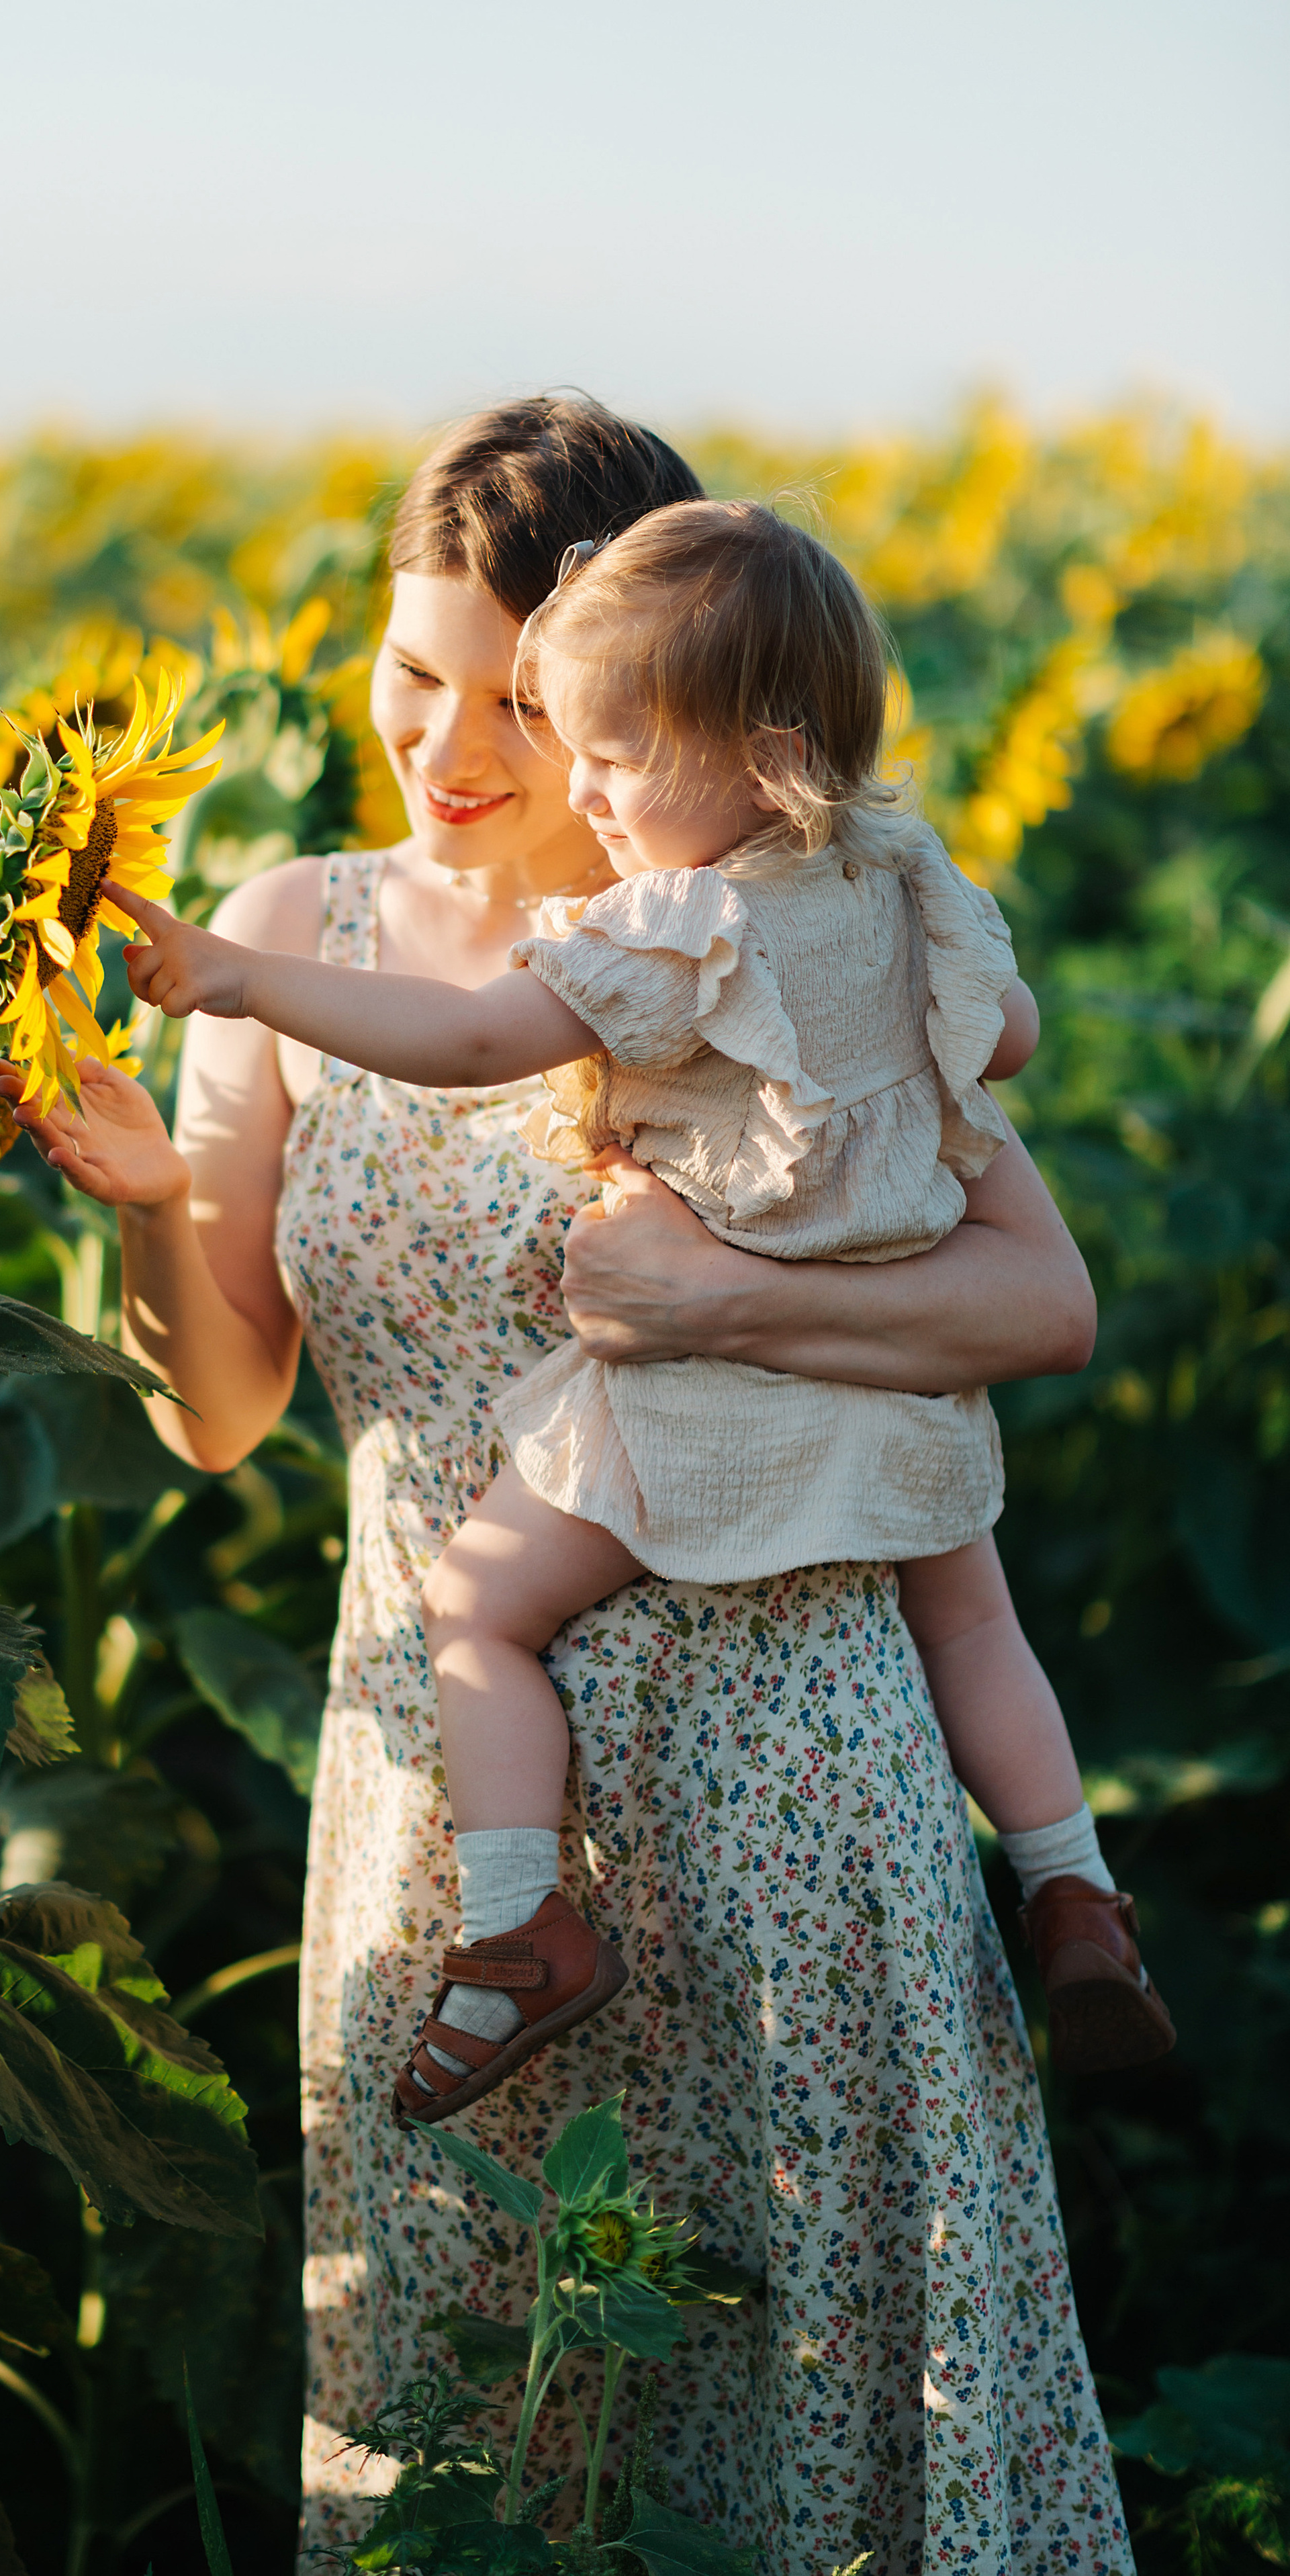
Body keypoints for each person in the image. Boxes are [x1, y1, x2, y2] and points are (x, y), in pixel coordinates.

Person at [0, 397, 1135, 2574]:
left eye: (521, 697)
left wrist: (712, 1295)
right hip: (458, 1802)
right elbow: (216, 1408)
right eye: (412, 669)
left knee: (809, 2420)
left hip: (782, 1752)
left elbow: (1036, 1302)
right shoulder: (289, 923)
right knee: (476, 2432)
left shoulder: (752, 916)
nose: (450, 739)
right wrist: (149, 1203)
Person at [109, 496, 1173, 2124]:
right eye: (412, 672)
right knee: (977, 1618)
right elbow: (997, 1039)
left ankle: (519, 1920)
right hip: (884, 1422)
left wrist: (243, 981)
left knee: (478, 1609)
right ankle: (1073, 1894)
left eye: (554, 721)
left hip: (761, 1691)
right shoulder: (899, 884)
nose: (487, 752)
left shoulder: (658, 931)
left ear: (738, 738)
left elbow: (476, 1041)